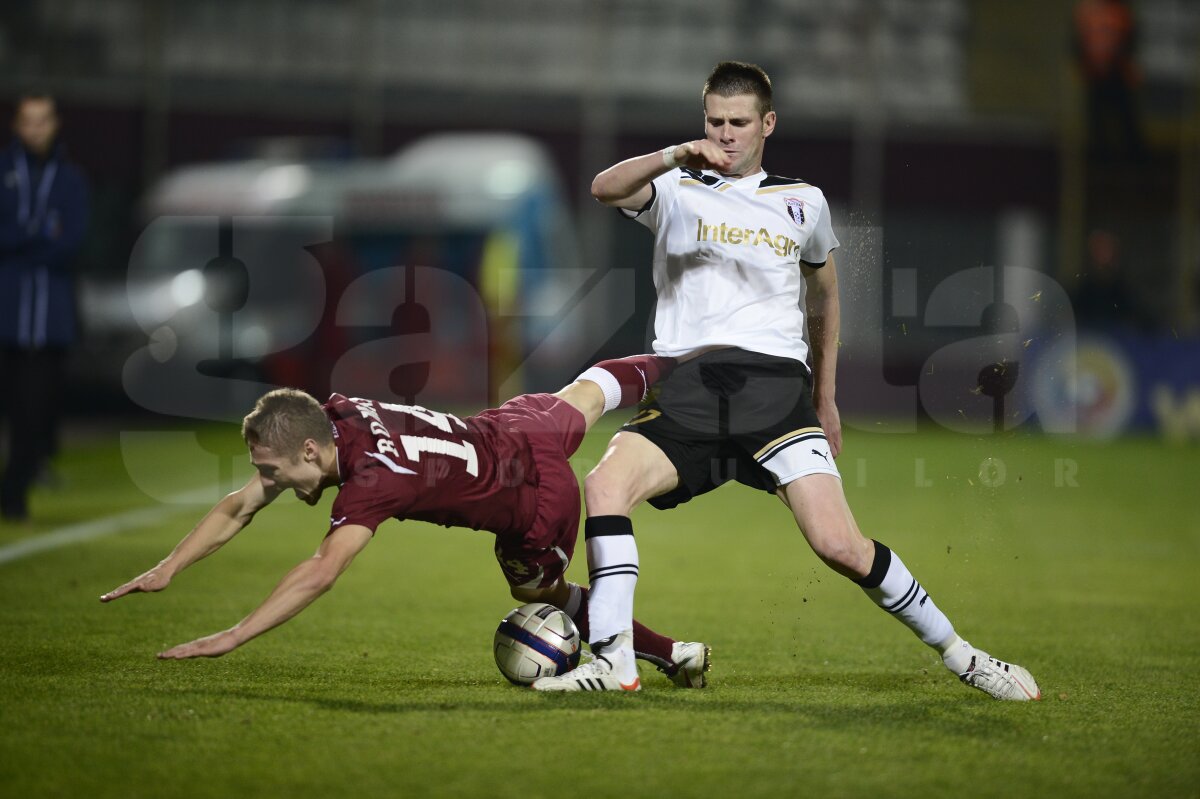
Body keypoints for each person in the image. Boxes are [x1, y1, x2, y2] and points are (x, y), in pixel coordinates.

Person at [533, 62, 1040, 700]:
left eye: (739, 122)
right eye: (715, 122)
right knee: (605, 484)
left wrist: (826, 397)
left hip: (772, 388)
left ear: (767, 124)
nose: (725, 134)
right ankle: (614, 662)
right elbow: (604, 188)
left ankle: (963, 655)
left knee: (839, 545)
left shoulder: (803, 201)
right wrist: (674, 154)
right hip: (688, 385)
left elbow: (824, 296)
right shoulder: (676, 187)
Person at [100, 354, 711, 688]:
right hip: (513, 427)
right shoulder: (333, 415)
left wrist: (233, 636)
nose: (269, 481)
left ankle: (665, 652)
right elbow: (241, 503)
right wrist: (170, 566)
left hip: (534, 501)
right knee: (592, 388)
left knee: (540, 595)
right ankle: (693, 361)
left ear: (309, 450)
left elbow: (321, 571)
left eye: (273, 470)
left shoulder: (372, 480)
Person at [0, 92, 89, 522]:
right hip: (7, 312)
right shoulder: (4, 172)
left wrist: (21, 239)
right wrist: (38, 234)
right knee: (14, 408)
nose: (36, 129)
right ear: (16, 125)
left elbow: (70, 241)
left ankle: (14, 493)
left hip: (49, 319)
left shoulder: (71, 179)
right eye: (28, 121)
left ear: (55, 124)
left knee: (36, 414)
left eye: (43, 120)